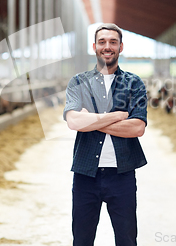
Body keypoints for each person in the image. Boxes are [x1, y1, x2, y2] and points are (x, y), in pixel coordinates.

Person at [63, 23, 147, 246]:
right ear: (94, 46)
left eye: (112, 42)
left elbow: (137, 128)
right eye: (102, 42)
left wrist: (91, 119)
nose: (107, 46)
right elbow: (73, 121)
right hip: (85, 176)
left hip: (122, 176)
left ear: (121, 47)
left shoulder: (134, 83)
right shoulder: (79, 82)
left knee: (126, 239)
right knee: (81, 240)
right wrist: (117, 116)